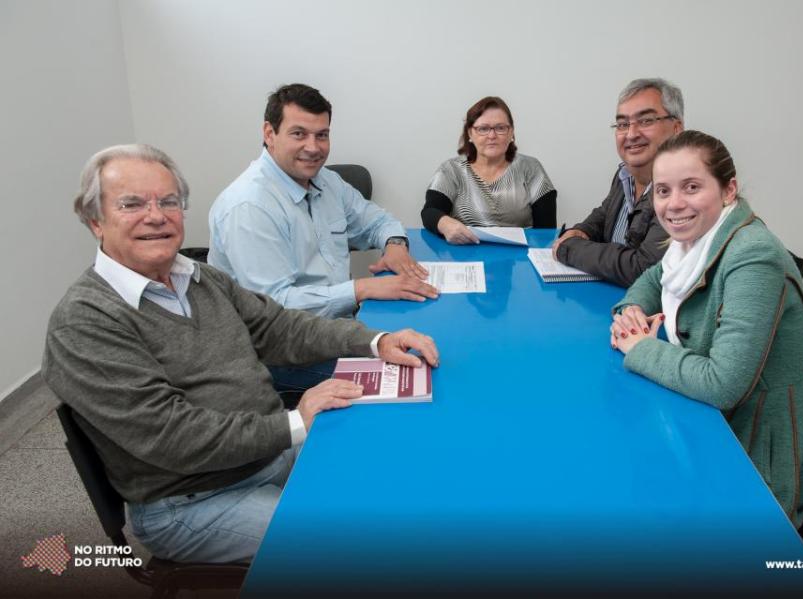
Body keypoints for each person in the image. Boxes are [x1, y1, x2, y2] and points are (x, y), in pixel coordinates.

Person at [42, 144, 440, 564]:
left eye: (169, 201)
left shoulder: (200, 278)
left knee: (400, 462)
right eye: (132, 204)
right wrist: (294, 423)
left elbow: (279, 327)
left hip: (264, 454)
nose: (156, 215)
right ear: (95, 221)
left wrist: (374, 341)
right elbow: (170, 437)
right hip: (189, 501)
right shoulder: (84, 322)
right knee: (362, 550)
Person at [609, 131, 803, 544]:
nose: (673, 204)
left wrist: (642, 348)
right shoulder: (692, 242)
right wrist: (631, 311)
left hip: (755, 448)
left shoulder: (753, 255)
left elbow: (723, 384)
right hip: (715, 421)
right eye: (663, 191)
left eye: (691, 187)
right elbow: (650, 278)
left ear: (728, 190)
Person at [209, 83, 438, 319]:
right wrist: (362, 289)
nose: (313, 147)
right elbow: (274, 307)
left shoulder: (327, 181)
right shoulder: (249, 206)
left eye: (322, 135)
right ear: (269, 134)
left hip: (339, 323)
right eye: (299, 134)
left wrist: (395, 246)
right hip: (283, 342)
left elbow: (377, 221)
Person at [551, 78, 683, 286]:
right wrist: (582, 231)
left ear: (676, 128)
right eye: (622, 124)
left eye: (646, 121)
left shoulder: (681, 190)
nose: (631, 134)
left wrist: (570, 248)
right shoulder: (625, 174)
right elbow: (605, 214)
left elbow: (642, 268)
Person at [421, 96, 556, 244]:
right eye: (483, 129)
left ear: (511, 133)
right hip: (466, 255)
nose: (492, 135)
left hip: (520, 259)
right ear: (470, 134)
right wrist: (444, 223)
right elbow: (429, 212)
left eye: (500, 128)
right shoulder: (451, 170)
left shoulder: (531, 168)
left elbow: (547, 232)